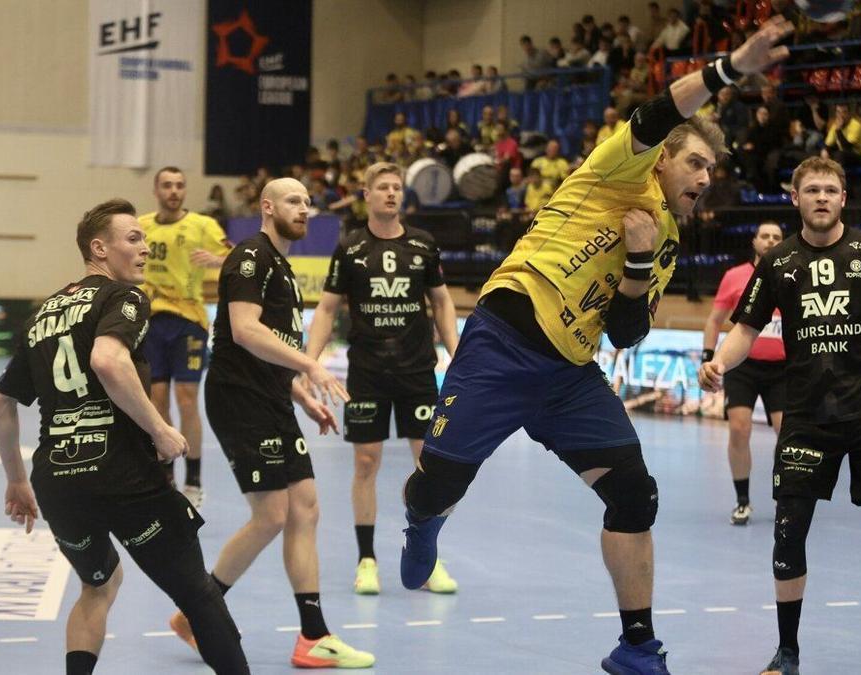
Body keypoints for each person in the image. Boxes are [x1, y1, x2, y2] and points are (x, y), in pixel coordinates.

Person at [398, 17, 795, 675]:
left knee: (637, 495)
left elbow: (626, 331)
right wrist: (734, 65)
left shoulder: (665, 239)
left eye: (712, 169)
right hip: (503, 342)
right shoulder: (616, 171)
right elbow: (660, 107)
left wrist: (639, 264)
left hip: (568, 374)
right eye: (695, 160)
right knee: (437, 484)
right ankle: (422, 522)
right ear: (663, 156)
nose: (704, 176)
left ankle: (637, 648)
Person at [700, 156, 861, 675]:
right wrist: (719, 362)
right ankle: (786, 652)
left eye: (830, 190)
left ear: (843, 198)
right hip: (809, 416)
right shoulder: (777, 264)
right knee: (789, 529)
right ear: (795, 198)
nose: (821, 197)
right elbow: (745, 330)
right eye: (811, 189)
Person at [0, 199, 249, 675]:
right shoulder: (122, 297)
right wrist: (160, 429)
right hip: (123, 475)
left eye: (144, 239)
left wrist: (16, 481)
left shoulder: (43, 314)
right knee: (197, 593)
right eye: (134, 239)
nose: (145, 249)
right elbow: (109, 360)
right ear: (99, 248)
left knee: (99, 585)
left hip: (58, 480)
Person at [166, 179, 374, 668]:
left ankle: (312, 636)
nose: (304, 209)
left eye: (307, 202)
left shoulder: (279, 264)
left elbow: (272, 345)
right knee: (272, 516)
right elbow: (244, 330)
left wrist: (300, 395)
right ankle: (196, 612)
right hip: (240, 401)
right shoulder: (250, 258)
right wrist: (310, 366)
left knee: (304, 507)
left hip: (270, 397)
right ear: (266, 207)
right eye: (293, 201)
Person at [306, 163, 461, 596]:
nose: (391, 194)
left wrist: (457, 355)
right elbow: (327, 309)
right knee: (365, 464)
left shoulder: (422, 245)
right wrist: (308, 361)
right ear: (367, 195)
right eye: (383, 188)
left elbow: (443, 302)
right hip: (368, 371)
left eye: (397, 188)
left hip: (416, 370)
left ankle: (428, 559)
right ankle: (367, 559)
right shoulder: (351, 247)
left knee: (429, 467)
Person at [139, 168, 231, 507]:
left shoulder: (203, 226)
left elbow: (238, 256)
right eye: (167, 185)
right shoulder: (142, 225)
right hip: (151, 321)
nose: (174, 191)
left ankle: (193, 479)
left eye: (180, 185)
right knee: (157, 400)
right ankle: (166, 477)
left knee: (188, 398)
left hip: (188, 320)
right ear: (156, 190)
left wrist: (217, 258)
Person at [702, 221, 786, 525]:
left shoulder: (793, 274)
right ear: (755, 241)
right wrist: (708, 357)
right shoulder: (735, 277)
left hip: (782, 369)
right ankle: (742, 500)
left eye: (777, 237)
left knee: (787, 434)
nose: (771, 241)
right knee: (739, 429)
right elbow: (714, 321)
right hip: (742, 367)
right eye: (765, 236)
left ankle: (785, 499)